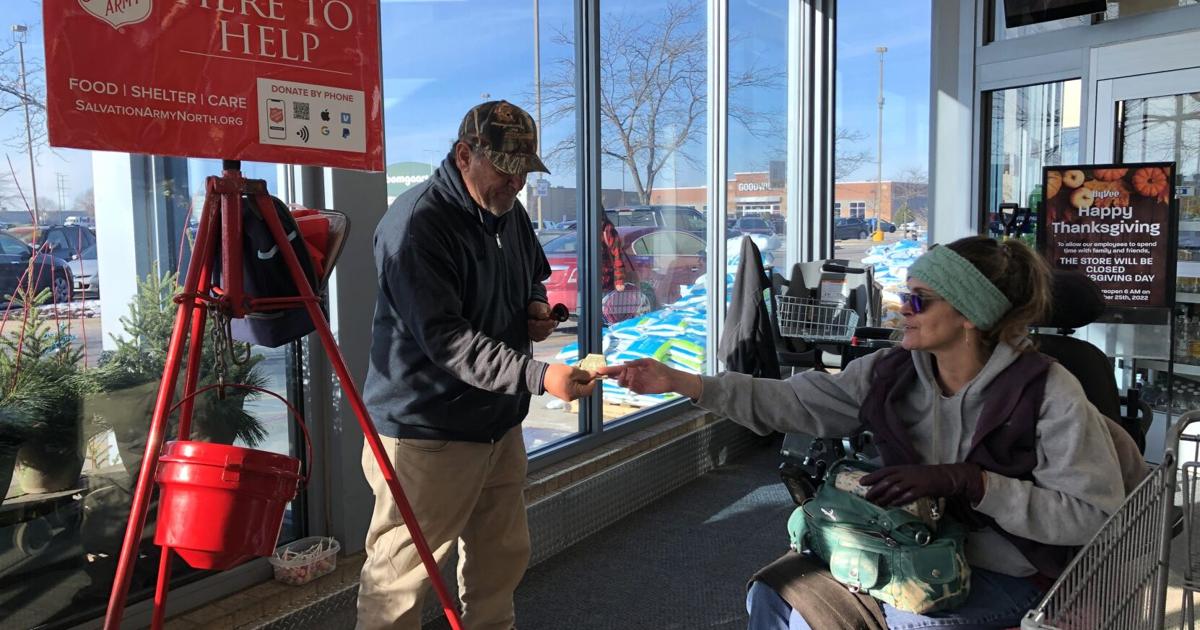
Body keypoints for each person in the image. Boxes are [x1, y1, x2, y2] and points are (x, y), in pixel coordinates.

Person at [598, 236, 1137, 629]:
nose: (904, 309)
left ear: (971, 314)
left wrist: (972, 483)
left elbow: (1093, 514)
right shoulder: (892, 372)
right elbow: (794, 401)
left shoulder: (1046, 391)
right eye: (907, 294)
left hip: (1003, 569)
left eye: (921, 299)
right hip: (902, 546)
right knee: (772, 594)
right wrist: (684, 381)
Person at [358, 100, 597, 630]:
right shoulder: (417, 225)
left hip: (497, 424)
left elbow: (532, 272)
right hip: (427, 433)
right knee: (400, 581)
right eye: (505, 169)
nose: (516, 184)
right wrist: (540, 375)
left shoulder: (507, 213)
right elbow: (447, 342)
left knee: (500, 561)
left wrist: (535, 305)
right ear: (465, 155)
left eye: (523, 172)